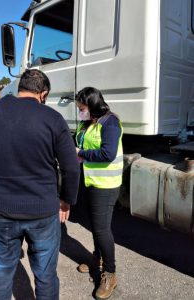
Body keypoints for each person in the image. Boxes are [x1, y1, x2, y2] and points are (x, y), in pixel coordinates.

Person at [0, 69, 80, 300]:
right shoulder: (52, 118)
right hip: (44, 212)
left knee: (0, 275)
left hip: (1, 212)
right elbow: (71, 167)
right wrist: (67, 200)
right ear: (43, 93)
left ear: (20, 89)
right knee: (46, 276)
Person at [75, 87, 123, 300]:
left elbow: (108, 153)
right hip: (90, 181)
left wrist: (81, 153)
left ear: (92, 105)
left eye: (82, 107)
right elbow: (78, 143)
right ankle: (98, 259)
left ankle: (110, 274)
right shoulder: (86, 124)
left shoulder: (110, 122)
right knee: (95, 225)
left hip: (106, 184)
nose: (80, 111)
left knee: (102, 229)